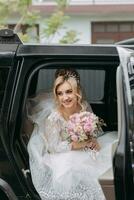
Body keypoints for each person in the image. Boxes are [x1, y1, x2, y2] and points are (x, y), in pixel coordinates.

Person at [27, 68, 114, 200]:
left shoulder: (83, 106)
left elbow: (93, 131)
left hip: (84, 148)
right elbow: (53, 148)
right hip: (63, 155)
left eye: (69, 92)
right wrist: (77, 145)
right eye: (60, 93)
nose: (65, 97)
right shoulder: (54, 117)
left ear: (77, 92)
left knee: (113, 149)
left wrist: (93, 140)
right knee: (77, 169)